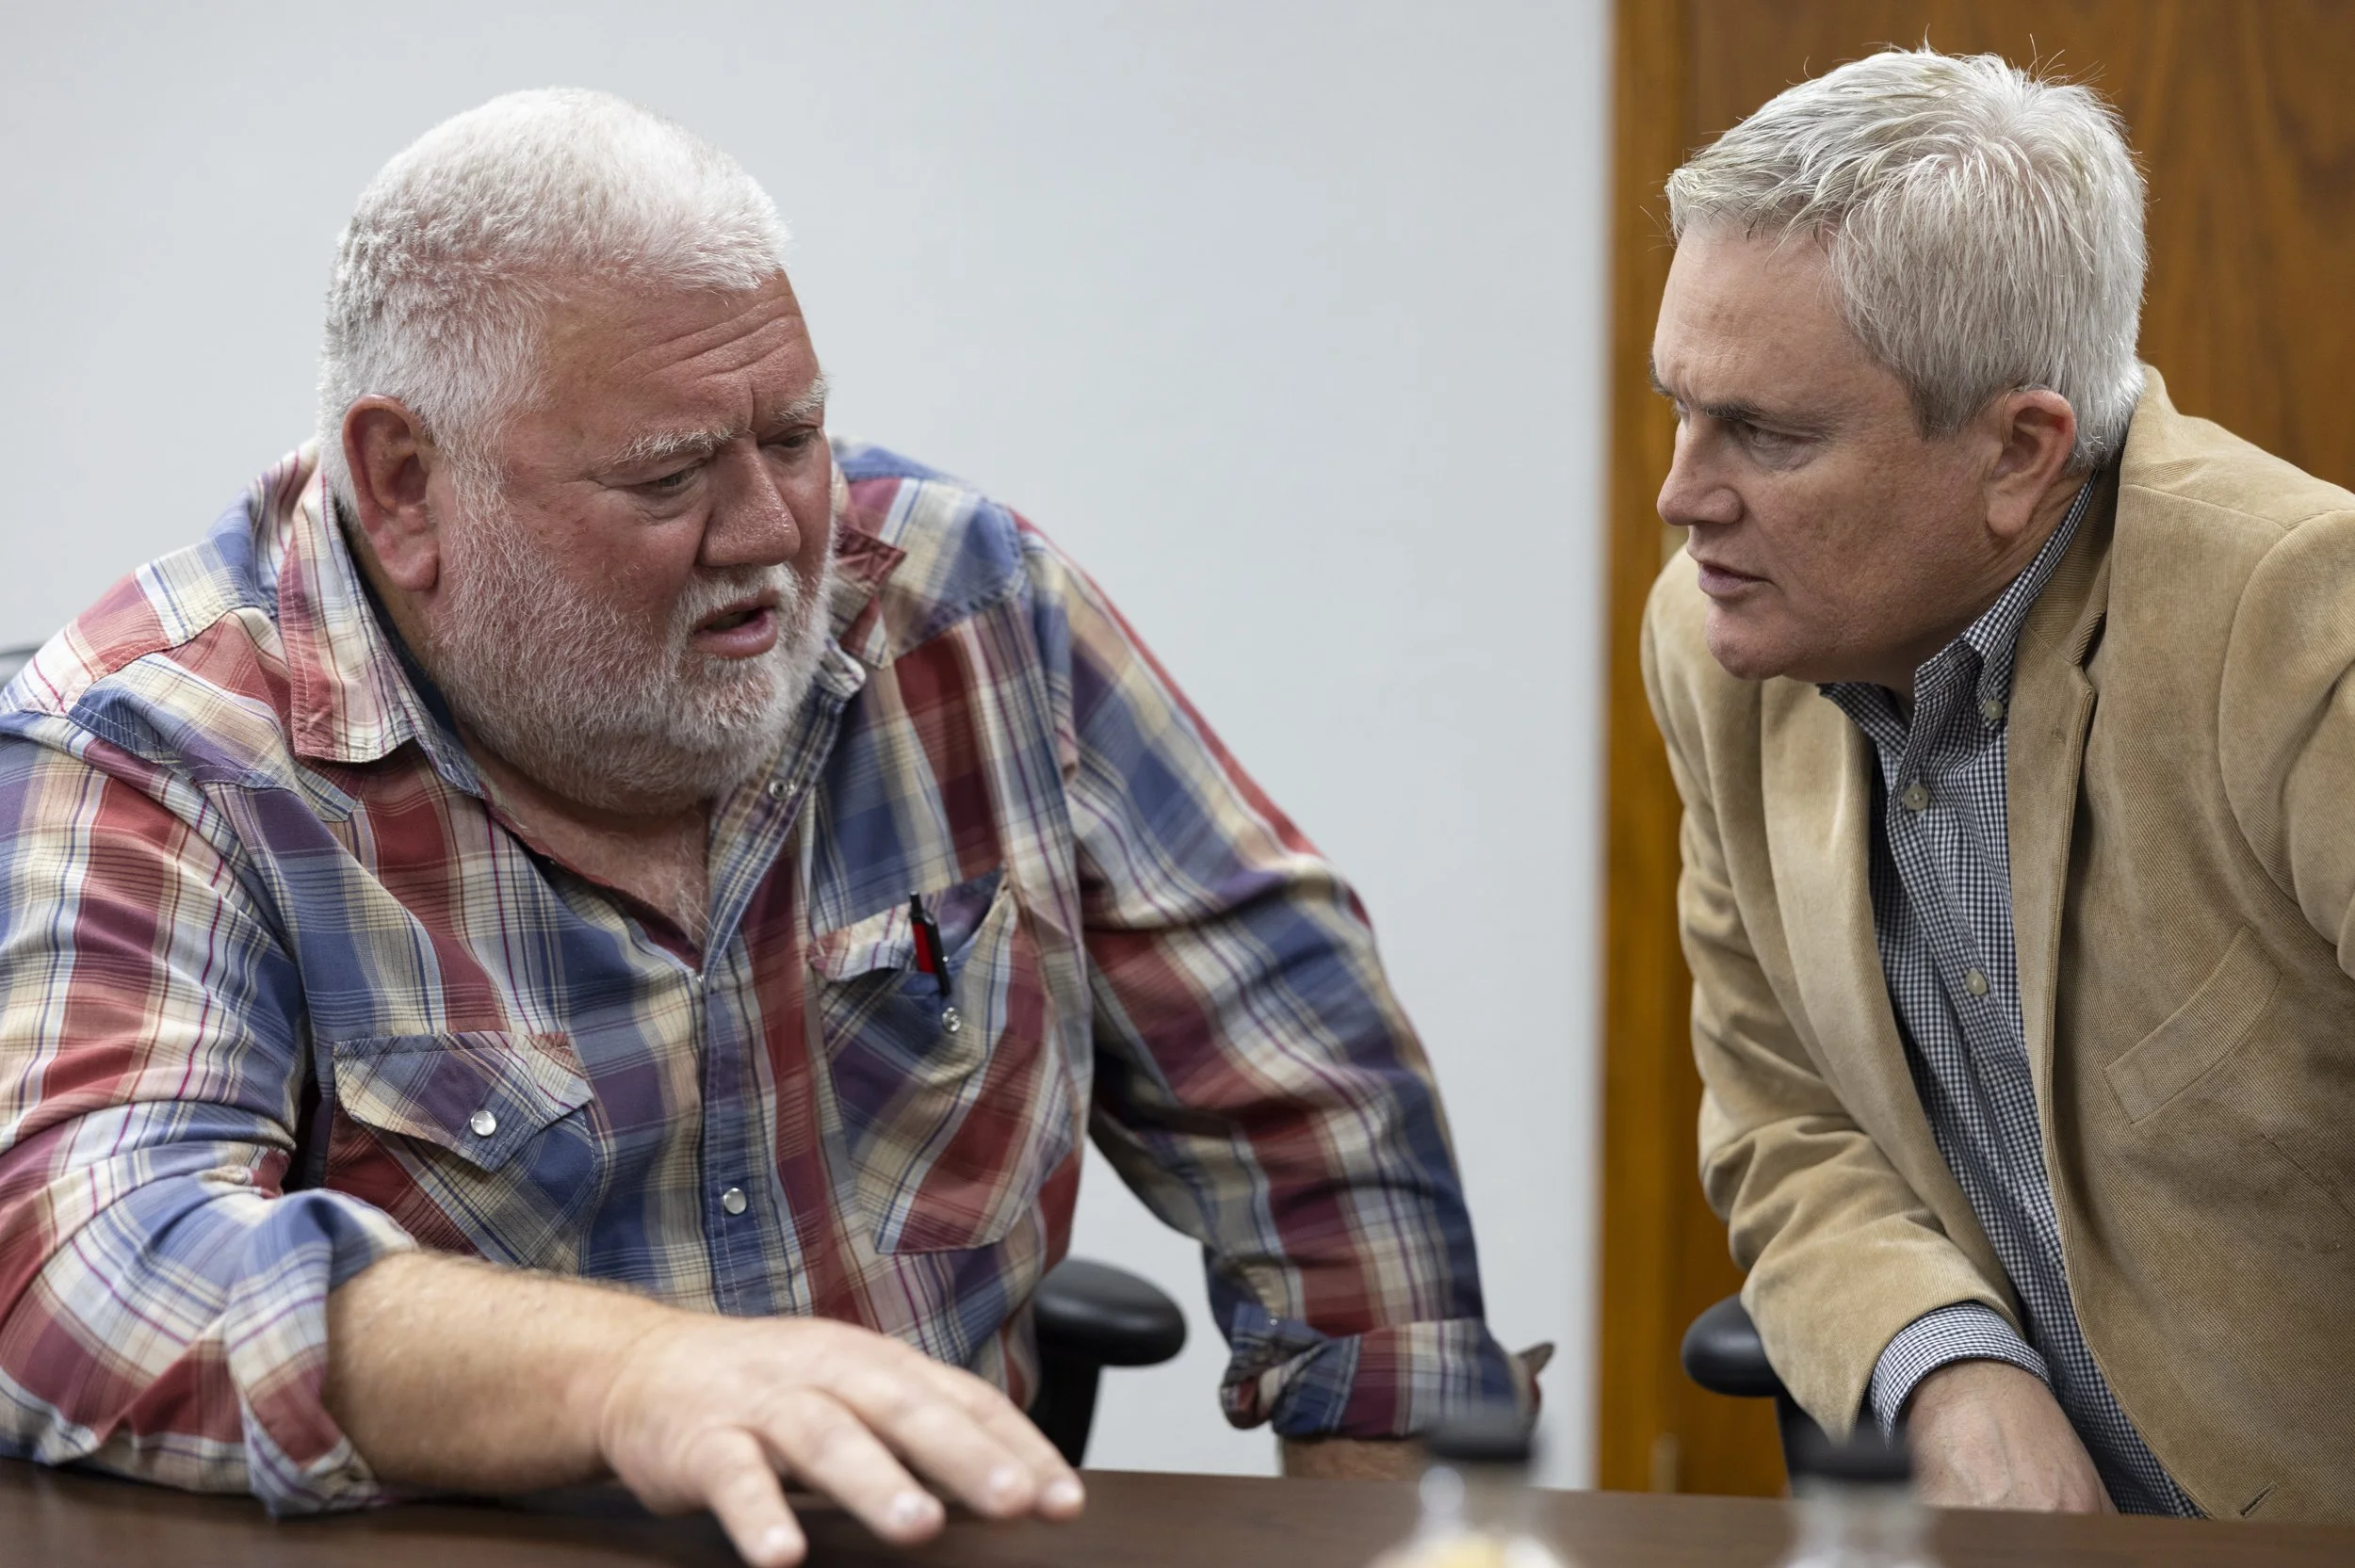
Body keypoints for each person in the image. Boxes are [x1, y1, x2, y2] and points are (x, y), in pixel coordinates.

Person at [0, 90, 1527, 1566]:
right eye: (666, 477)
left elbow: (1311, 1080)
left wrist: (1371, 1510)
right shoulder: (160, 747)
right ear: (406, 486)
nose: (770, 537)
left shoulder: (953, 603)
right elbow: (82, 1268)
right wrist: (628, 1380)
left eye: (792, 437)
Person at [1642, 47, 2354, 1522]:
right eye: (1679, 407)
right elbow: (1787, 1122)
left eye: (1765, 433)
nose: (1683, 494)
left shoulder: (2300, 634)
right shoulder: (1718, 644)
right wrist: (1946, 1364)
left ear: (2020, 453)